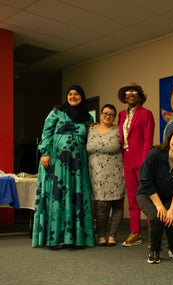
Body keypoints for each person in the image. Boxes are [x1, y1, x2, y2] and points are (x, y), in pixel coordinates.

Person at [32, 85, 95, 248]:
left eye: (77, 94)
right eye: (70, 94)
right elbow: (46, 132)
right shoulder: (57, 112)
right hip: (57, 161)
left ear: (82, 97)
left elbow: (91, 138)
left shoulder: (87, 118)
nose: (73, 96)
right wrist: (44, 153)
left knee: (76, 195)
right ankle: (56, 238)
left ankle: (74, 238)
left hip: (78, 164)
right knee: (58, 196)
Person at [136, 127, 173, 264]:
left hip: (169, 196)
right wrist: (159, 205)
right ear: (169, 140)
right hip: (147, 194)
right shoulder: (155, 154)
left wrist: (172, 209)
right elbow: (145, 180)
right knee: (157, 217)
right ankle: (154, 250)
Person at [118, 82, 155, 247]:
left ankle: (153, 232)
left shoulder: (146, 113)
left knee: (146, 197)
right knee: (132, 197)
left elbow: (148, 140)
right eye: (127, 92)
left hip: (141, 160)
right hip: (126, 158)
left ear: (140, 96)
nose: (130, 94)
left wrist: (145, 161)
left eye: (134, 92)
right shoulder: (120, 115)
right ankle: (135, 232)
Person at [87, 104, 125, 246]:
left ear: (114, 117)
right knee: (102, 205)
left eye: (111, 114)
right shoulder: (90, 129)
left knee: (117, 204)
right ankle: (101, 235)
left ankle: (112, 236)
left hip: (116, 172)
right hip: (96, 173)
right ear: (101, 114)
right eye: (105, 113)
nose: (108, 116)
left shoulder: (118, 130)